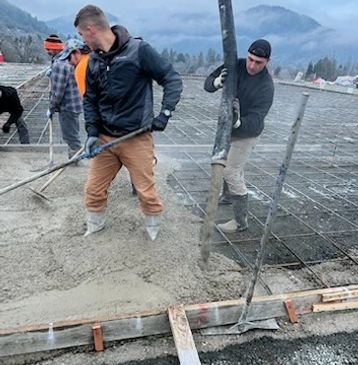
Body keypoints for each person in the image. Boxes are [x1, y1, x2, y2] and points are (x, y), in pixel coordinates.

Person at [73, 5, 183, 238]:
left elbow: (171, 78)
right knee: (93, 189)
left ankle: (153, 230)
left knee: (146, 191)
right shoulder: (93, 61)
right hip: (105, 138)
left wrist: (165, 113)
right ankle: (95, 226)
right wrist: (92, 132)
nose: (82, 40)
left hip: (136, 136)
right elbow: (90, 100)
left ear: (91, 29)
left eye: (82, 35)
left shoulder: (138, 51)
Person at [204, 39, 274, 233]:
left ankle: (240, 222)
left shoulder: (266, 87)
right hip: (227, 127)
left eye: (258, 62)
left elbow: (257, 119)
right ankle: (227, 197)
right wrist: (217, 82)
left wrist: (238, 122)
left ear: (267, 61)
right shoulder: (235, 65)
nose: (251, 65)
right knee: (224, 161)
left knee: (231, 171)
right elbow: (207, 83)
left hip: (248, 133)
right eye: (250, 59)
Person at [47, 41, 83, 159]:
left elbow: (57, 92)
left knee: (70, 136)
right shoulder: (69, 64)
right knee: (72, 134)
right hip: (75, 104)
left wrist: (51, 107)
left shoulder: (61, 65)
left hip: (68, 106)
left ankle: (76, 159)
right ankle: (74, 159)